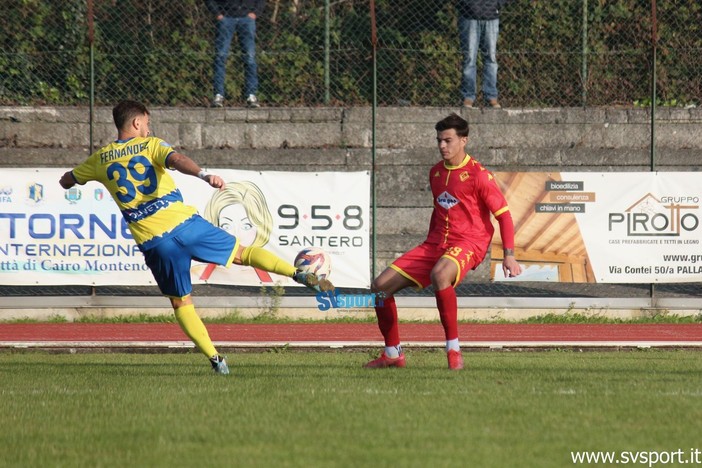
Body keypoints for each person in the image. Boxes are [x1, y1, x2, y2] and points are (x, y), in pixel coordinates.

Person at [59, 100, 332, 375]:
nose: (149, 128)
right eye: (147, 123)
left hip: (155, 243)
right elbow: (176, 160)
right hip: (185, 225)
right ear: (136, 123)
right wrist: (203, 174)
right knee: (242, 253)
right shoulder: (150, 145)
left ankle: (216, 360)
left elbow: (66, 180)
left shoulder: (100, 159)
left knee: (181, 302)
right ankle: (297, 274)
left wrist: (74, 178)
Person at [364, 113, 521, 370]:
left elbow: (503, 216)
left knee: (440, 274)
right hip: (436, 244)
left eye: (448, 140)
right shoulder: (435, 173)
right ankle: (392, 354)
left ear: (464, 140)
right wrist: (429, 245)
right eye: (439, 140)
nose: (442, 146)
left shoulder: (479, 175)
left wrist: (509, 254)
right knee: (380, 287)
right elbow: (439, 210)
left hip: (469, 242)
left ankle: (453, 350)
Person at [205, 0, 265, 108]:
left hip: (247, 19)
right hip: (226, 18)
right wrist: (218, 14)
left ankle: (251, 95)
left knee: (250, 58)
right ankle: (218, 95)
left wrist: (255, 12)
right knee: (220, 57)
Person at [457, 0, 510, 109]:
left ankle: (491, 96)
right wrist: (466, 5)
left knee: (491, 58)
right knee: (469, 59)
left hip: (491, 17)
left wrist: (497, 4)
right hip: (468, 17)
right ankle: (468, 97)